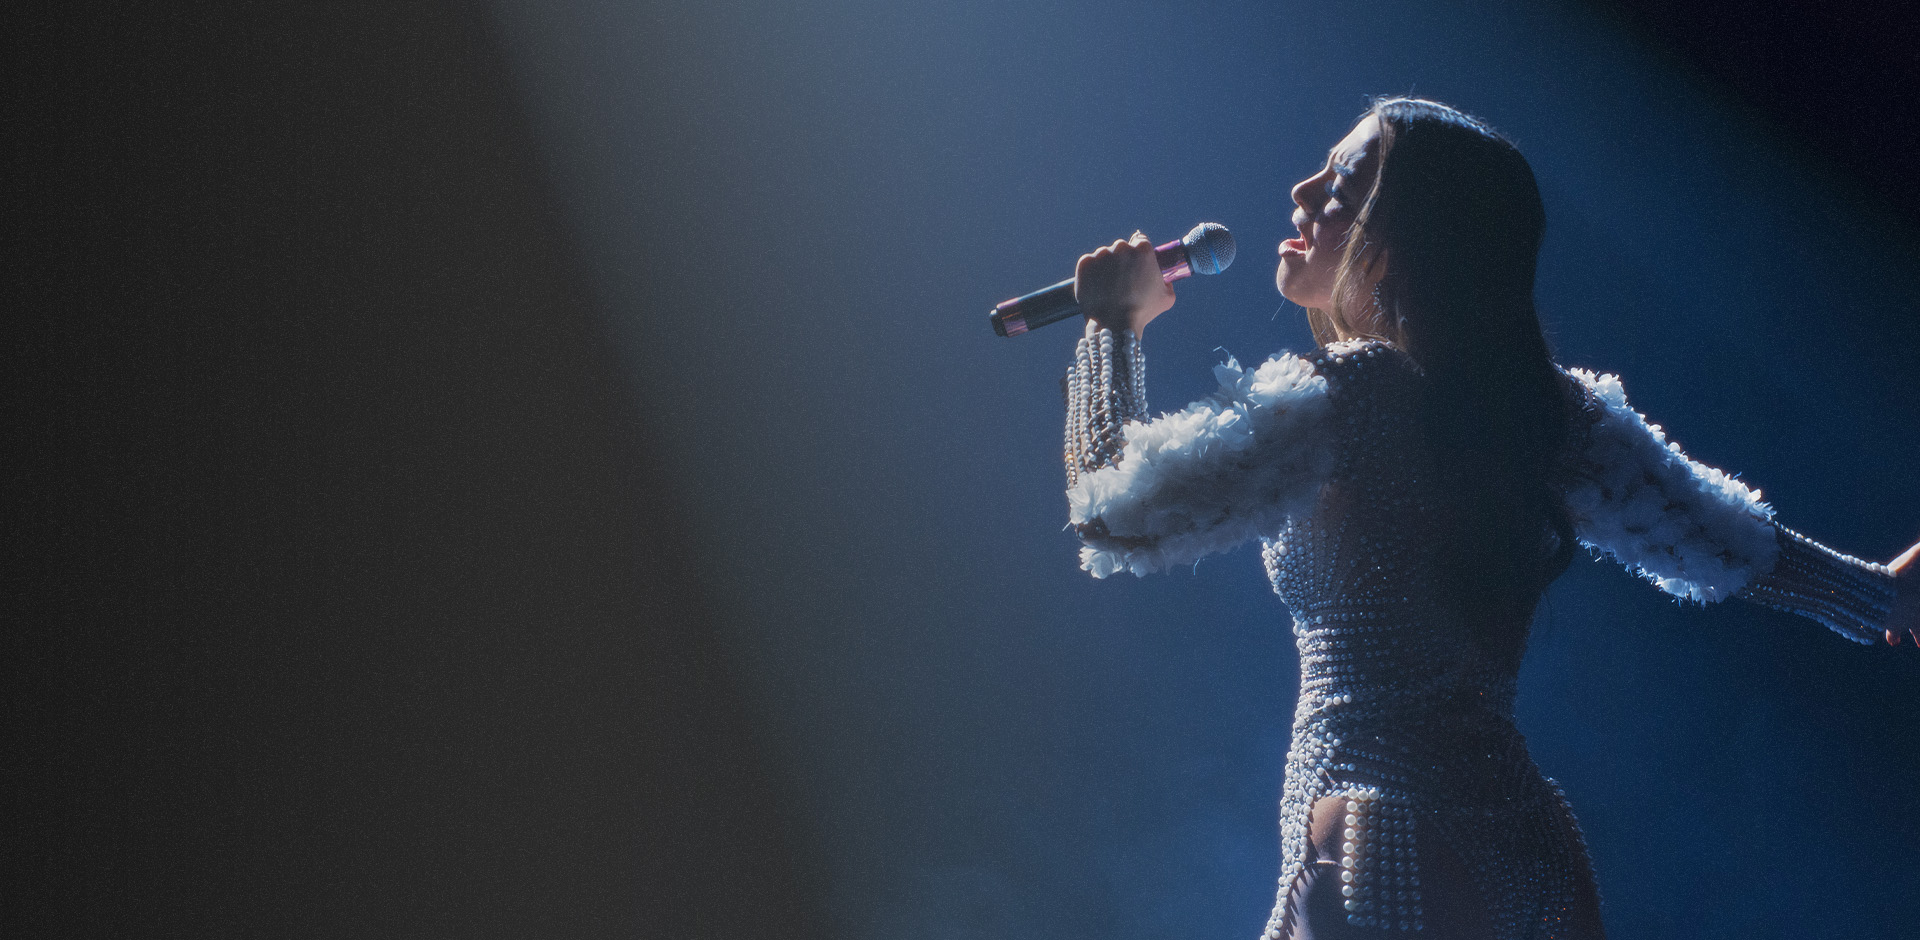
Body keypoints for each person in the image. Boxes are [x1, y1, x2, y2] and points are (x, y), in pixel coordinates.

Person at [1060, 97, 1919, 940]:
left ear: (1400, 247)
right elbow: (1714, 541)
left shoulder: (1355, 394)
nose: (1302, 191)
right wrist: (1879, 597)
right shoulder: (1544, 413)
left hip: (1384, 844)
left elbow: (1120, 515)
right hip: (1525, 853)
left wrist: (1112, 325)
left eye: (1343, 186)